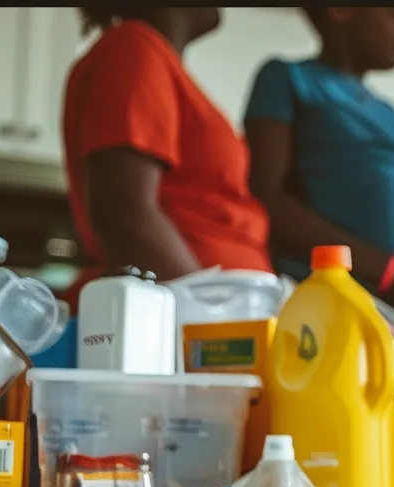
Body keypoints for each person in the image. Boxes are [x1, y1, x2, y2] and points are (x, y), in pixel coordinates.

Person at [243, 7, 394, 317]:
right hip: (325, 302)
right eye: (393, 13)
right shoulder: (289, 79)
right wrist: (390, 272)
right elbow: (264, 197)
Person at [60, 6, 271, 300]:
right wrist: (205, 316)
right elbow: (124, 213)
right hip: (180, 327)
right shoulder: (132, 49)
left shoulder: (152, 59)